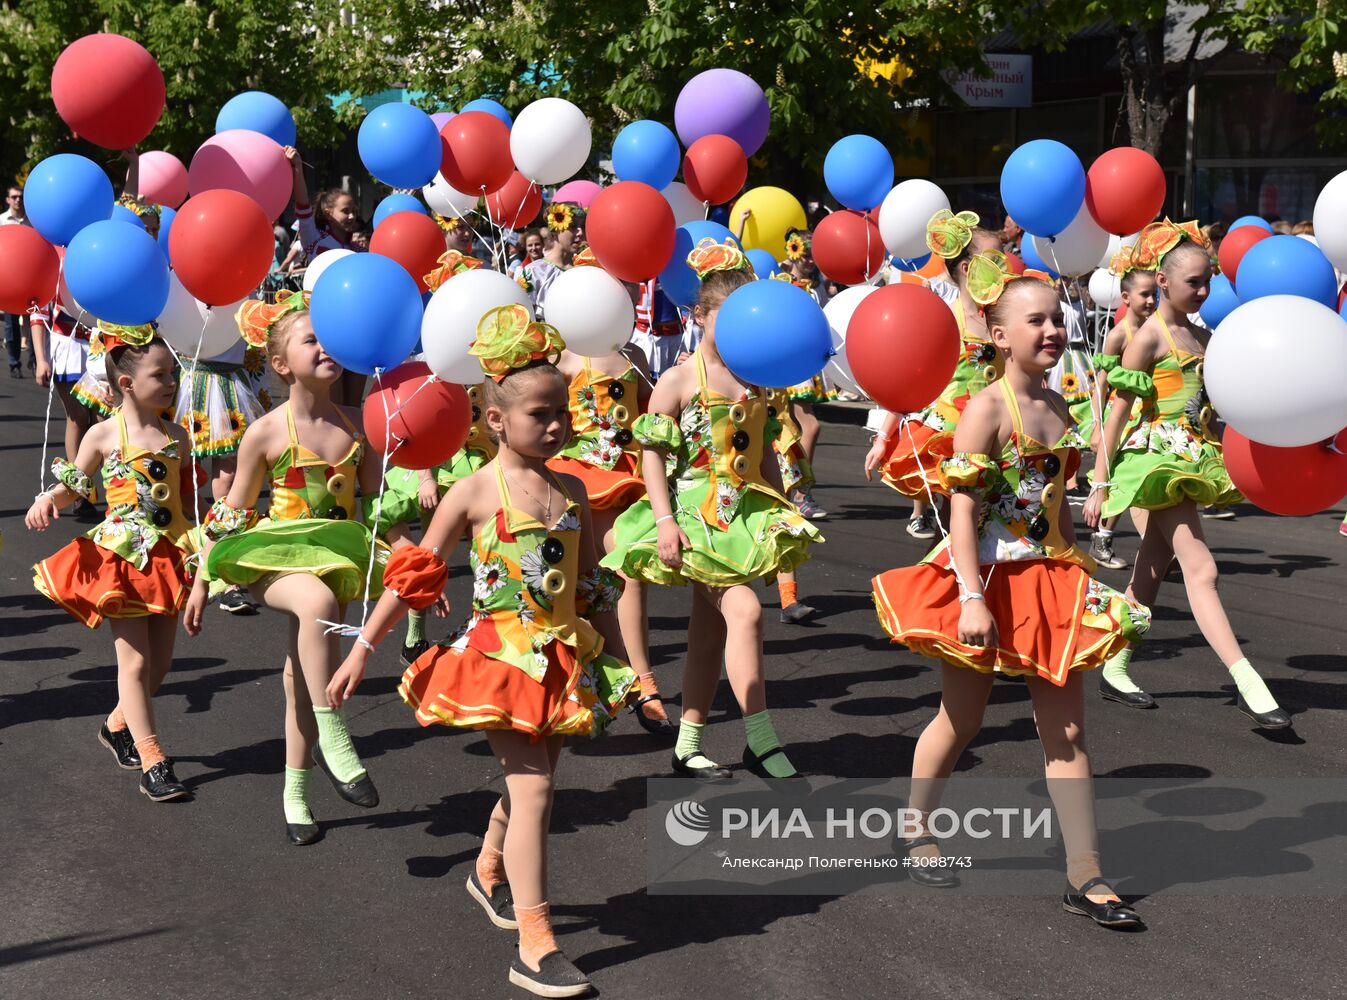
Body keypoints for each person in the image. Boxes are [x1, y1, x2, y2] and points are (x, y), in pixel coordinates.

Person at [326, 305, 638, 998]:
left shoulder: (572, 492)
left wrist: (628, 669)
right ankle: (535, 942)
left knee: (532, 784)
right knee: (535, 790)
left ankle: (486, 869)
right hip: (499, 660)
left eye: (562, 410)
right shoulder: (470, 492)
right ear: (496, 419)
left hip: (560, 660)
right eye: (539, 414)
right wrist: (359, 650)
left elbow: (590, 593)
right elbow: (413, 577)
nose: (556, 424)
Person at [872, 253, 1150, 928]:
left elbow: (1040, 503)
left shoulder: (1056, 405)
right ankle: (914, 826)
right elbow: (963, 514)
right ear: (999, 335)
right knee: (960, 719)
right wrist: (969, 597)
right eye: (1035, 321)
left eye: (1057, 318)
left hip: (1049, 580)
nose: (1052, 330)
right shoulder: (986, 412)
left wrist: (1081, 534)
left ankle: (1084, 874)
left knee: (1069, 730)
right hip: (987, 583)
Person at [604, 239, 822, 781]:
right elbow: (651, 456)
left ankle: (688, 744)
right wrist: (663, 522)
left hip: (744, 518)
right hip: (696, 517)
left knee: (710, 631)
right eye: (725, 321)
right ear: (698, 316)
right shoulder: (679, 382)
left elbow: (765, 454)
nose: (736, 335)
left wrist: (783, 513)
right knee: (743, 613)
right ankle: (760, 738)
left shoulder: (756, 382)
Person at [185, 300, 390, 845]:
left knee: (300, 679)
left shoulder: (357, 429)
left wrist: (416, 560)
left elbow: (376, 510)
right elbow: (231, 512)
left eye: (330, 338)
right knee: (316, 606)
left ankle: (294, 794)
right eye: (310, 340)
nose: (325, 347)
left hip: (337, 558)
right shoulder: (266, 433)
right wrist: (203, 578)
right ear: (279, 364)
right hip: (274, 560)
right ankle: (334, 731)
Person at [1084, 219, 1290, 729]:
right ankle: (1246, 680)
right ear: (1166, 281)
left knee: (1151, 568)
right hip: (1158, 460)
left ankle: (1116, 664)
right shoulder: (1147, 339)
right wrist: (1098, 481)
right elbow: (1117, 411)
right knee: (1203, 570)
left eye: (1208, 281)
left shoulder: (1205, 335)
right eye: (1193, 282)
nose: (1203, 290)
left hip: (1194, 455)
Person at [28, 326, 198, 801]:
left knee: (161, 664)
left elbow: (183, 500)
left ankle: (116, 725)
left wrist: (198, 549)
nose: (171, 383)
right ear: (126, 384)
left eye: (173, 374)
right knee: (136, 661)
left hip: (169, 554)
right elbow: (76, 485)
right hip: (122, 558)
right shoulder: (104, 434)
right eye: (160, 375)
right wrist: (49, 499)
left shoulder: (177, 436)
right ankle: (153, 760)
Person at [548, 264, 670, 735]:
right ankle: (585, 683)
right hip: (576, 479)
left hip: (625, 476)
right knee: (574, 588)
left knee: (627, 576)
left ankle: (645, 684)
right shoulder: (564, 357)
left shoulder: (633, 351)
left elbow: (653, 414)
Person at [370, 248, 497, 666]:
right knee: (430, 552)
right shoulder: (431, 363)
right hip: (438, 465)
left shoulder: (492, 363)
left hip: (479, 463)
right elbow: (422, 425)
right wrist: (425, 477)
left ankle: (489, 621)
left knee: (491, 547)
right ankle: (414, 632)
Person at [865, 210, 1005, 540]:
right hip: (951, 436)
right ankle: (952, 579)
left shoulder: (1005, 319)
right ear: (969, 269)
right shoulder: (942, 321)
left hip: (999, 437)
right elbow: (911, 383)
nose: (1003, 268)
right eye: (994, 261)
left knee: (987, 524)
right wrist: (883, 437)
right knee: (959, 516)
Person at [1085, 254, 1159, 571]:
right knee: (1117, 479)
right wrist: (1097, 424)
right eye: (1145, 294)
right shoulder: (1119, 335)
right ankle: (1102, 539)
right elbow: (1102, 384)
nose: (1152, 300)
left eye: (1155, 293)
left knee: (1140, 479)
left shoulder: (1157, 330)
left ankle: (1154, 545)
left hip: (1149, 414)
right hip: (1122, 416)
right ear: (1126, 298)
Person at [286, 146, 368, 406]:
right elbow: (302, 207)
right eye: (345, 211)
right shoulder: (314, 239)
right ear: (328, 211)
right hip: (327, 331)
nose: (352, 216)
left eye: (354, 210)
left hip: (357, 329)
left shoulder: (357, 250)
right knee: (333, 406)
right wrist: (298, 169)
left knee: (353, 407)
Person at [3, 184, 34, 377]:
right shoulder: (2, 221)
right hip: (7, 280)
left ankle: (34, 360)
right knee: (10, 324)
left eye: (20, 197)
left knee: (34, 320)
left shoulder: (31, 222)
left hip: (30, 279)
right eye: (14, 197)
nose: (18, 200)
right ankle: (14, 363)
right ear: (7, 200)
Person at [516, 229, 568, 320]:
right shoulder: (526, 270)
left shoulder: (575, 269)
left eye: (537, 244)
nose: (534, 248)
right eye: (530, 245)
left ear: (543, 244)